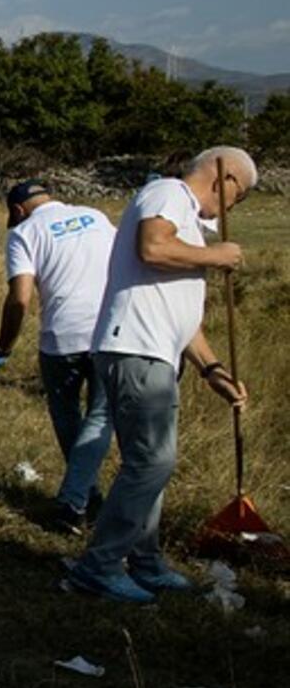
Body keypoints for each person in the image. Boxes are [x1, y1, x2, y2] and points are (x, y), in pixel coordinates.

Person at [65, 146, 254, 603]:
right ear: (222, 179)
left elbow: (181, 318)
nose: (230, 208)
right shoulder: (167, 193)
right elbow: (152, 247)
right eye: (238, 197)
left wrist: (212, 370)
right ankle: (100, 566)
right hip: (135, 349)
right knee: (153, 462)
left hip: (151, 352)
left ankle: (144, 562)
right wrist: (217, 256)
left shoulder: (186, 221)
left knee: (147, 464)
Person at [0, 180, 117, 534]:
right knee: (101, 418)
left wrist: (3, 347)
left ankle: (74, 502)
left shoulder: (24, 233)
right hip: (109, 330)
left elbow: (20, 298)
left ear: (16, 210)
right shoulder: (96, 216)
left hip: (62, 338)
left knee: (68, 416)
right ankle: (87, 496)